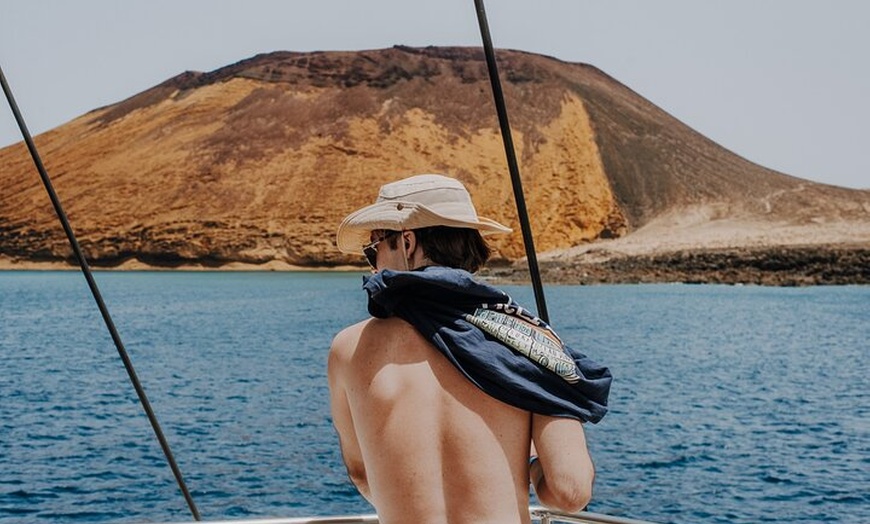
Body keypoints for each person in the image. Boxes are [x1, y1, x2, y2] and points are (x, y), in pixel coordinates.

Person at [328, 174, 611, 524]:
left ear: (407, 242)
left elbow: (361, 473)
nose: (373, 264)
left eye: (374, 248)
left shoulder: (348, 349)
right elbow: (570, 491)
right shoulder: (527, 342)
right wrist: (531, 463)